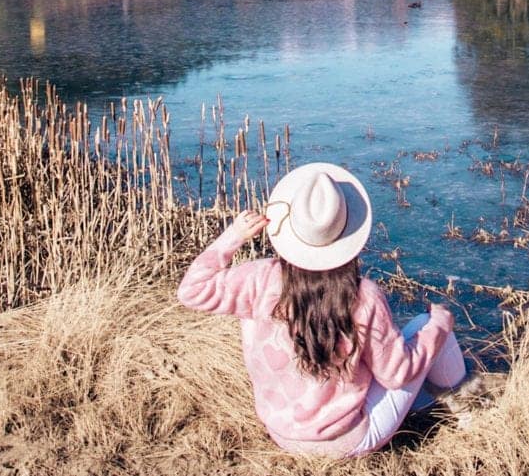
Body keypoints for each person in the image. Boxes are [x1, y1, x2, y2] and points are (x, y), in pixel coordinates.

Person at [177, 161, 468, 458]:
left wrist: (234, 235)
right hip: (349, 440)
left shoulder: (258, 279)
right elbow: (397, 374)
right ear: (348, 232)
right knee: (425, 324)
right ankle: (467, 407)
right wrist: (440, 326)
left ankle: (431, 409)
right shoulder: (362, 296)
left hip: (283, 433)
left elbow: (191, 291)